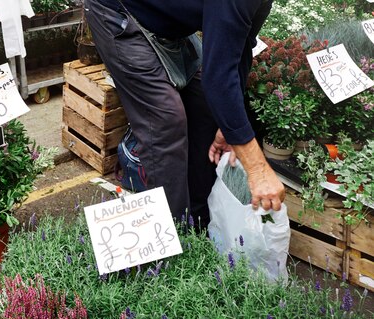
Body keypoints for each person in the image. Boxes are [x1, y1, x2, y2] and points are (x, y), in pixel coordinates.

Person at [84, 0, 285, 226]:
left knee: (208, 107)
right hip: (119, 11)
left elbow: (240, 46)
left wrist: (228, 128)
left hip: (166, 21)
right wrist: (257, 170)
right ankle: (175, 237)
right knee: (165, 120)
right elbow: (218, 80)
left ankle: (199, 222)